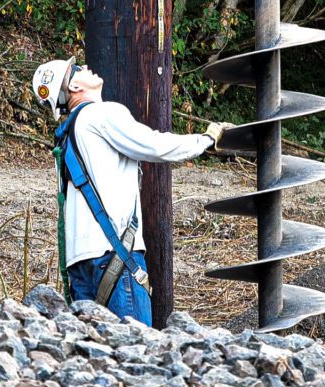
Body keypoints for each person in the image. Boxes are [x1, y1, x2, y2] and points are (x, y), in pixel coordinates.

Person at [31, 57, 230, 325]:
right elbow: (155, 146)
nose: (86, 67)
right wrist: (206, 140)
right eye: (77, 69)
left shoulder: (68, 134)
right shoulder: (101, 114)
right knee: (137, 354)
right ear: (74, 85)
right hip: (113, 256)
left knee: (96, 358)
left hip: (79, 263)